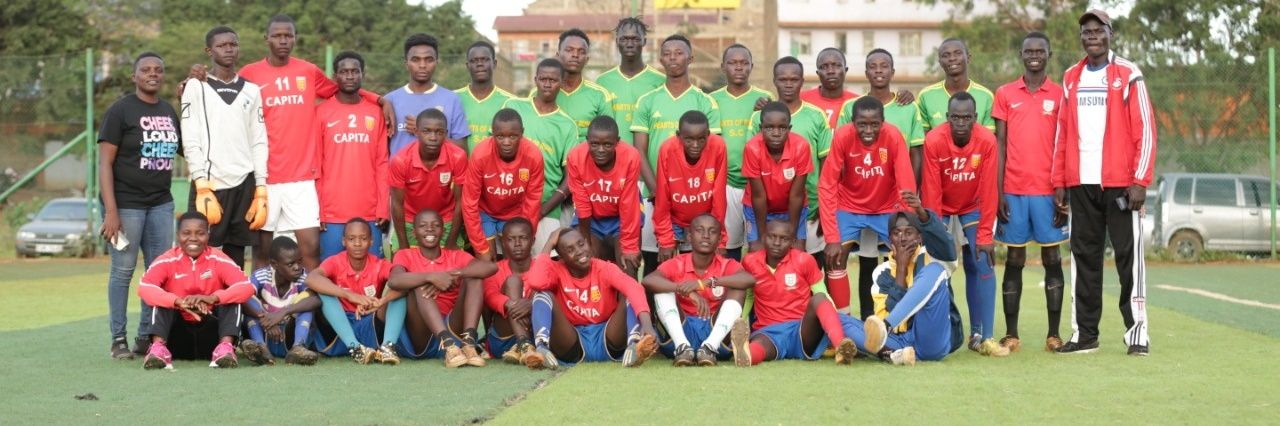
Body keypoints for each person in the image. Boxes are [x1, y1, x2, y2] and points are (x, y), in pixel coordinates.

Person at [190, 15, 392, 270]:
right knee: (263, 251)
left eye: (289, 35)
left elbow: (343, 87)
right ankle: (261, 307)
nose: (283, 40)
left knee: (310, 248)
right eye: (277, 36)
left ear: (295, 38)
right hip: (265, 178)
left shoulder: (308, 71)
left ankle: (309, 307)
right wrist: (192, 81)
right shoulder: (250, 74)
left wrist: (379, 99)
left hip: (302, 179)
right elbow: (219, 89)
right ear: (267, 39)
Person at [1051, 9, 1156, 356]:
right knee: (1084, 258)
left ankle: (1137, 331)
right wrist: (1060, 181)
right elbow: (1062, 132)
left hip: (1122, 185)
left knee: (1129, 258)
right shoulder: (1071, 76)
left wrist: (1140, 180)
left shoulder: (1128, 74)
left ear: (1110, 34)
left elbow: (1146, 130)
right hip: (1082, 183)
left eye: (1098, 30)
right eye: (1086, 32)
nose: (1091, 36)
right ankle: (1086, 334)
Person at [98, 52, 181, 359]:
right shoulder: (121, 110)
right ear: (134, 77)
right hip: (127, 205)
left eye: (158, 70)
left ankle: (147, 336)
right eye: (145, 70)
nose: (152, 74)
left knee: (157, 273)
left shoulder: (168, 110)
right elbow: (104, 163)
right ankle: (118, 339)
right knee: (123, 271)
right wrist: (111, 211)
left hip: (161, 204)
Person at [837, 48, 927, 319]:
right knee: (866, 262)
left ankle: (899, 316)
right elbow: (841, 155)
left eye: (884, 66)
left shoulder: (906, 105)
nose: (878, 71)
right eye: (872, 66)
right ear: (866, 73)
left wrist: (910, 200)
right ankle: (864, 319)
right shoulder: (852, 108)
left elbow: (916, 154)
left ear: (892, 72)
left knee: (900, 258)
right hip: (858, 201)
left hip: (893, 203)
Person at [992, 31, 1068, 353]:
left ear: (1049, 54)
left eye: (1040, 50)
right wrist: (997, 194)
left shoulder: (1061, 94)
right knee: (1014, 258)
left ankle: (1054, 334)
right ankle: (1011, 334)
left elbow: (1065, 144)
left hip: (1049, 192)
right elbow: (1000, 146)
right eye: (1028, 50)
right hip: (1013, 190)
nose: (1034, 55)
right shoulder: (1006, 93)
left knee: (1053, 258)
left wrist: (1062, 189)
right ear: (1021, 55)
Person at [920, 92, 1006, 357]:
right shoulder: (934, 140)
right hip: (942, 205)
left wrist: (984, 236)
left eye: (966, 118)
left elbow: (989, 190)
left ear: (975, 118)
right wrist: (937, 235)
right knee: (940, 266)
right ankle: (942, 331)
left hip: (972, 204)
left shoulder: (987, 140)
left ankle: (984, 336)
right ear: (947, 118)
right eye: (955, 117)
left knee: (982, 259)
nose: (960, 123)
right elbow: (932, 192)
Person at [819, 97, 917, 318]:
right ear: (852, 122)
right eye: (862, 124)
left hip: (886, 206)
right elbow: (827, 185)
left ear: (883, 121)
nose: (868, 129)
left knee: (906, 254)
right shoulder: (843, 136)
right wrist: (832, 236)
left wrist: (909, 227)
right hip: (849, 205)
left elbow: (906, 184)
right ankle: (844, 321)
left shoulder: (893, 136)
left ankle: (897, 317)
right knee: (835, 256)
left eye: (875, 124)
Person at [747, 57, 835, 303]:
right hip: (762, 204)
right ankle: (755, 320)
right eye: (782, 79)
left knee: (801, 259)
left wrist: (822, 208)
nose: (788, 84)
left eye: (794, 79)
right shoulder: (758, 120)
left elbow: (819, 174)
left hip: (802, 205)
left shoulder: (813, 120)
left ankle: (807, 316)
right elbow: (758, 193)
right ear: (773, 81)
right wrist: (763, 234)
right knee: (759, 257)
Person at [180, 26, 268, 270]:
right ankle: (198, 306)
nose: (228, 49)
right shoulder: (195, 86)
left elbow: (259, 139)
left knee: (236, 255)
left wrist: (260, 187)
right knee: (200, 251)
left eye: (233, 44)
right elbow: (190, 137)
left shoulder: (251, 90)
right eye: (221, 45)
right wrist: (200, 183)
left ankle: (233, 307)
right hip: (210, 183)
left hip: (244, 182)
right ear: (209, 51)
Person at [632, 34, 721, 274]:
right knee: (657, 258)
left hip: (694, 194)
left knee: (695, 261)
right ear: (660, 58)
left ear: (690, 58)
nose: (673, 58)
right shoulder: (647, 101)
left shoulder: (705, 102)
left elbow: (712, 153)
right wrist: (656, 189)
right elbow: (639, 148)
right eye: (667, 53)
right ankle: (654, 312)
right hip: (653, 190)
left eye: (679, 53)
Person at [520, 228, 660, 369]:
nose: (579, 251)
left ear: (588, 243)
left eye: (581, 244)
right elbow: (535, 282)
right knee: (542, 294)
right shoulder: (556, 270)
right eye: (570, 250)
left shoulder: (604, 268)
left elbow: (634, 287)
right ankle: (541, 348)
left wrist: (647, 325)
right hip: (572, 341)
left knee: (629, 290)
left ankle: (635, 344)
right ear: (561, 256)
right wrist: (549, 243)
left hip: (608, 336)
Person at [732, 220, 861, 366]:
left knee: (818, 298)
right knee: (759, 346)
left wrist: (833, 323)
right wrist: (739, 321)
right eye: (771, 237)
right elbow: (749, 296)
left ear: (793, 242)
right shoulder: (750, 262)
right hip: (768, 331)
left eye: (784, 239)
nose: (776, 242)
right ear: (763, 238)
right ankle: (745, 355)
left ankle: (840, 346)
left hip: (802, 330)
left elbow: (822, 294)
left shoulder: (804, 260)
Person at [137, 211, 255, 370]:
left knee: (232, 298)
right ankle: (159, 350)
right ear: (178, 235)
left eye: (200, 233)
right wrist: (177, 301)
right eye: (186, 233)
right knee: (162, 300)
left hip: (211, 338)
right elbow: (144, 287)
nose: (193, 238)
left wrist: (213, 298)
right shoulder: (168, 259)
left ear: (208, 234)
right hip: (177, 339)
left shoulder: (218, 258)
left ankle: (225, 349)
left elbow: (247, 287)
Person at [862, 192, 966, 364]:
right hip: (899, 340)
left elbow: (947, 246)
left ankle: (886, 349)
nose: (902, 238)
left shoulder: (931, 256)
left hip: (929, 339)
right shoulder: (881, 272)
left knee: (935, 270)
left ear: (919, 237)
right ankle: (895, 355)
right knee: (844, 322)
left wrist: (922, 214)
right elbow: (883, 316)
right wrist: (901, 269)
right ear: (890, 240)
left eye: (909, 232)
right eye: (896, 233)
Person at [388, 209, 498, 368]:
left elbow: (490, 267)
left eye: (435, 225)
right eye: (423, 226)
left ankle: (468, 343)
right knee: (419, 285)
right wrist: (430, 277)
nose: (429, 229)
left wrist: (454, 274)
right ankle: (447, 345)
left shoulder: (455, 255)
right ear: (414, 232)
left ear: (443, 230)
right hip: (422, 334)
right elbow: (394, 280)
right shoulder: (405, 255)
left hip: (453, 324)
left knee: (474, 278)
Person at [643, 215, 755, 366]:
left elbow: (749, 280)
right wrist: (685, 290)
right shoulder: (677, 263)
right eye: (699, 230)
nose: (706, 236)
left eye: (712, 231)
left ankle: (709, 348)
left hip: (715, 332)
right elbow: (648, 280)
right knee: (662, 289)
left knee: (738, 289)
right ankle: (683, 348)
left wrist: (706, 283)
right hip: (681, 331)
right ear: (689, 236)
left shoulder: (727, 264)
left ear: (720, 238)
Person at [315, 51, 388, 261]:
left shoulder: (376, 112)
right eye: (344, 72)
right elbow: (316, 164)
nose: (349, 76)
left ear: (362, 74)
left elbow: (382, 162)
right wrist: (318, 209)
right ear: (335, 75)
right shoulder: (321, 112)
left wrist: (383, 206)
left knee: (372, 275)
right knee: (330, 274)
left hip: (370, 212)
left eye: (355, 71)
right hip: (331, 213)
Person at [502, 59, 579, 254]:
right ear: (535, 79)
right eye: (543, 78)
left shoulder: (567, 125)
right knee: (506, 267)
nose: (547, 83)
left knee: (544, 270)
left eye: (552, 80)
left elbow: (570, 178)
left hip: (546, 210)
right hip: (506, 206)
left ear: (561, 83)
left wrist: (543, 210)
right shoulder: (514, 107)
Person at [305, 219, 407, 365]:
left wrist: (381, 302)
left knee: (399, 295)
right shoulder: (335, 261)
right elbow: (311, 278)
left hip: (367, 320)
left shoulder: (379, 264)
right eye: (352, 239)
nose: (357, 244)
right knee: (323, 292)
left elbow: (403, 284)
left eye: (363, 239)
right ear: (343, 241)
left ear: (371, 241)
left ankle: (388, 347)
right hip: (339, 323)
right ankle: (355, 348)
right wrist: (350, 296)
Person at [711, 44, 772, 259]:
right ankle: (731, 291)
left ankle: (757, 293)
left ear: (751, 67)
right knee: (729, 247)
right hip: (725, 183)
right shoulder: (711, 100)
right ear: (723, 67)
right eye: (733, 63)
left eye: (744, 63)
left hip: (757, 183)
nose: (739, 67)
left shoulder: (765, 98)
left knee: (759, 247)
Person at [462, 109, 546, 260]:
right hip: (485, 212)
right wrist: (480, 247)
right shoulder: (480, 154)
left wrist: (528, 235)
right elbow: (469, 203)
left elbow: (532, 202)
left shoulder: (533, 156)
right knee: (487, 260)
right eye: (500, 136)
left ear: (522, 133)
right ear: (492, 133)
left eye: (513, 136)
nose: (506, 142)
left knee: (515, 260)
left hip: (514, 214)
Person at [566, 116, 643, 275]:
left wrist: (629, 247)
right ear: (587, 140)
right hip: (591, 219)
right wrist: (585, 243)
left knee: (627, 264)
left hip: (622, 217)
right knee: (588, 265)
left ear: (617, 142)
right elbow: (582, 204)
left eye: (607, 144)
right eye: (594, 144)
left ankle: (628, 300)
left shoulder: (631, 156)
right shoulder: (575, 157)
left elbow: (628, 205)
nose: (600, 150)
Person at [390, 108, 469, 252]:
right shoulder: (401, 160)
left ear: (445, 134)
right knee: (401, 265)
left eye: (439, 132)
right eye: (426, 131)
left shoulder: (458, 156)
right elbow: (396, 204)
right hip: (410, 220)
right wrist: (403, 247)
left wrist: (451, 242)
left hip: (446, 219)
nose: (433, 137)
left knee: (452, 267)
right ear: (416, 132)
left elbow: (461, 202)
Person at [653, 111, 728, 262]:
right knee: (669, 269)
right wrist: (665, 239)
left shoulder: (718, 146)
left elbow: (719, 197)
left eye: (701, 139)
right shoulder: (667, 150)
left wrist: (720, 238)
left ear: (708, 134)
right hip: (674, 221)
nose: (695, 145)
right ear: (678, 135)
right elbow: (662, 197)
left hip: (705, 221)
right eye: (688, 140)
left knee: (705, 268)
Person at [239, 236, 321, 366]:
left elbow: (316, 300)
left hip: (290, 335)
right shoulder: (261, 276)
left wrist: (283, 312)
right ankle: (261, 350)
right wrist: (267, 320)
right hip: (266, 333)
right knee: (248, 301)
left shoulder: (302, 277)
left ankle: (298, 348)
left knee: (307, 306)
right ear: (274, 264)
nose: (297, 267)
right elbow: (241, 297)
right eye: (290, 264)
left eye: (299, 261)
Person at [742, 102, 812, 251]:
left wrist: (791, 234)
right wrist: (762, 236)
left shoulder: (801, 147)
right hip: (759, 207)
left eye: (782, 128)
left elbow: (797, 195)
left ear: (789, 129)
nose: (776, 133)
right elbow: (758, 196)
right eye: (769, 128)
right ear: (760, 129)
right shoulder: (752, 148)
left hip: (791, 207)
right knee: (758, 250)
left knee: (796, 250)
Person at [387, 33, 470, 154]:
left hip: (439, 172)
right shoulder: (390, 100)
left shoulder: (451, 99)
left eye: (428, 60)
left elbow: (462, 149)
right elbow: (379, 148)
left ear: (436, 62)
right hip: (398, 173)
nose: (422, 65)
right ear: (406, 63)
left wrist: (425, 129)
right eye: (416, 60)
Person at [595, 17, 665, 144]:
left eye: (635, 39)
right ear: (617, 41)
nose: (629, 44)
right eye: (624, 39)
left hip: (647, 158)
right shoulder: (602, 81)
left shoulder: (660, 81)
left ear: (644, 41)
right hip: (613, 158)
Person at [481, 218, 538, 363]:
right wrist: (514, 305)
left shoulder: (543, 267)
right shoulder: (495, 269)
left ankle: (524, 346)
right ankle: (524, 344)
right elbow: (489, 296)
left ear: (533, 240)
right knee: (513, 281)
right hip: (504, 337)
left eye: (523, 238)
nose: (517, 244)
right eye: (511, 239)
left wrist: (532, 304)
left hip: (536, 334)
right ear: (503, 243)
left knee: (542, 293)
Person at [916, 38, 995, 133]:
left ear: (968, 58)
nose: (952, 58)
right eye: (946, 55)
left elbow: (989, 138)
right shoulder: (925, 96)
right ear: (940, 62)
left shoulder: (986, 96)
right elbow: (924, 138)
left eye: (957, 53)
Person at [455, 41, 516, 152]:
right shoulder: (453, 98)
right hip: (461, 168)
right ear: (467, 66)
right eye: (474, 61)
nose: (479, 64)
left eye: (485, 60)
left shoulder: (511, 102)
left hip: (495, 169)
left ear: (495, 63)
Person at [554, 28, 616, 139]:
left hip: (586, 156)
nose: (575, 55)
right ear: (558, 55)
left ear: (587, 59)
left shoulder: (599, 95)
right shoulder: (540, 93)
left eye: (581, 51)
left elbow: (607, 139)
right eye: (569, 50)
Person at [799, 48, 858, 127]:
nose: (830, 71)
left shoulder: (857, 102)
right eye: (824, 67)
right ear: (818, 73)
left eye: (837, 66)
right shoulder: (801, 100)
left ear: (845, 70)